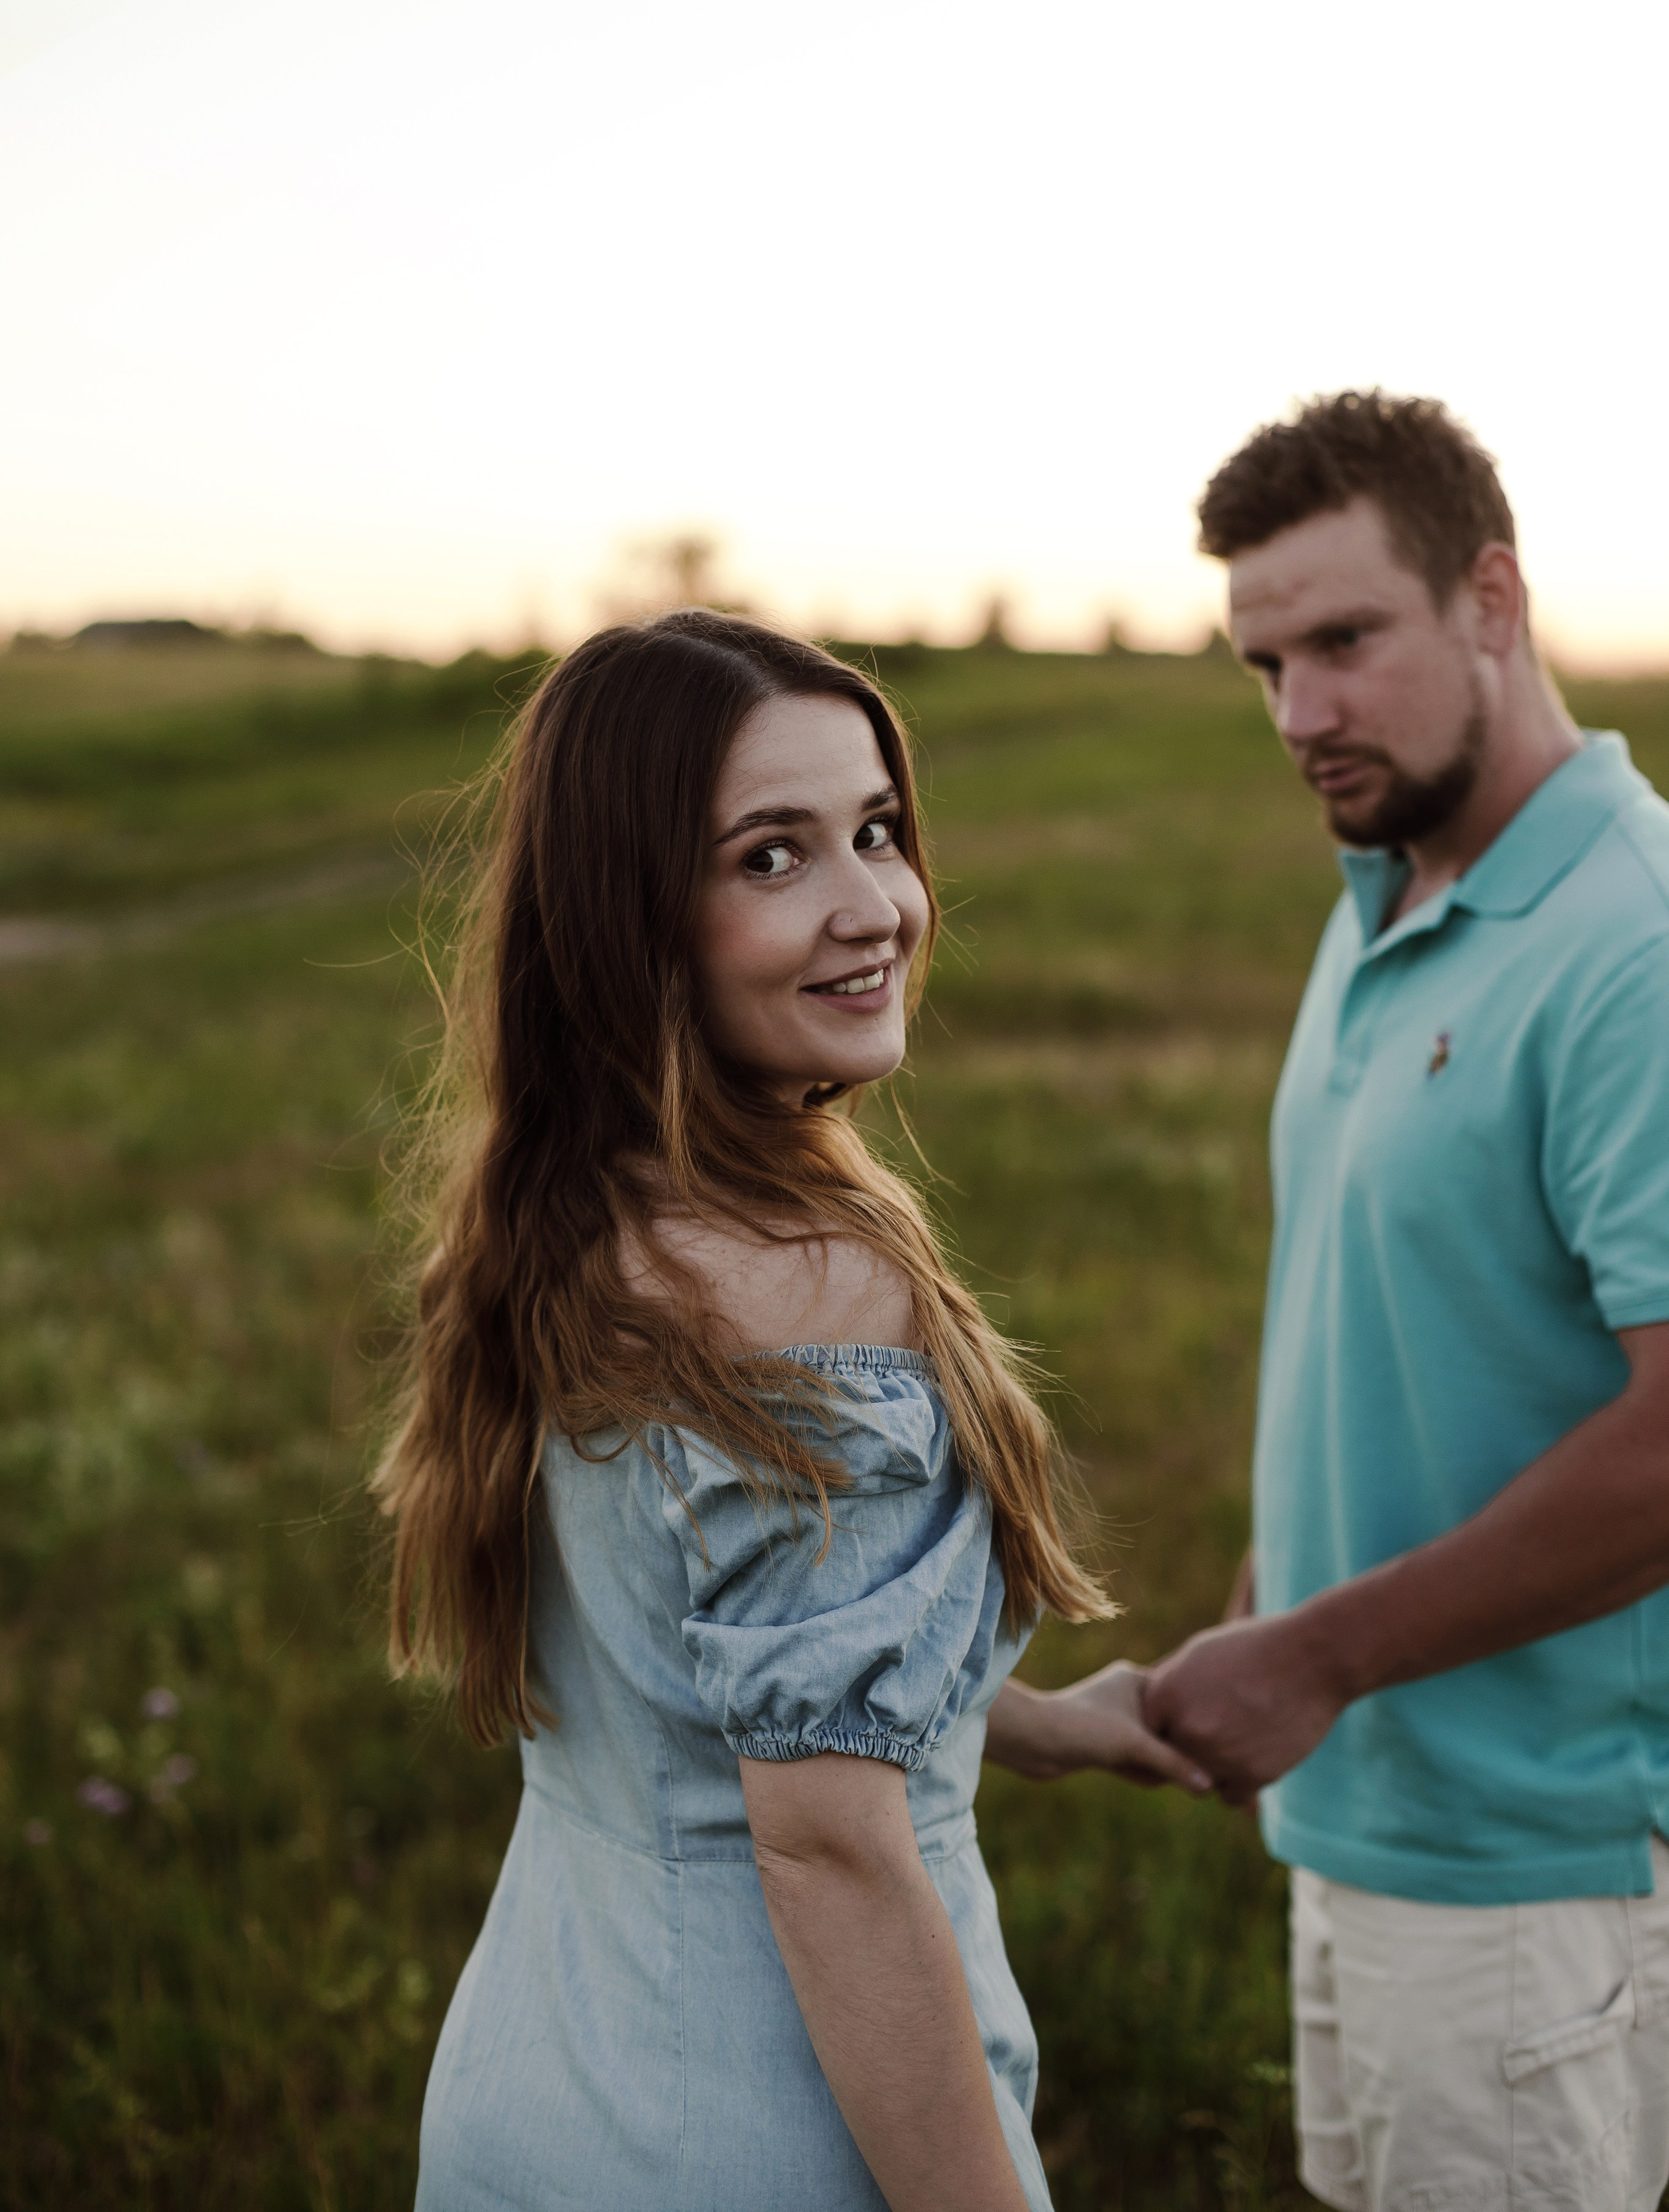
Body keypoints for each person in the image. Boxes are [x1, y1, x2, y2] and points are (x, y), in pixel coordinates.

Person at [376, 609, 1205, 2212]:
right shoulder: (798, 1286)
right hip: (754, 2134)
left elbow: (723, 1669)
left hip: (534, 2093)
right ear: (635, 921)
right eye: (770, 857)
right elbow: (824, 1846)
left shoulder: (574, 1209)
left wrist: (1032, 1721)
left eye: (876, 833)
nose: (871, 907)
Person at [1144, 391, 1669, 2212]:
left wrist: (1317, 1653)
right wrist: (1278, 1592)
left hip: (1537, 1868)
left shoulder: (1637, 942)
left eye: (1346, 642)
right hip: (1361, 1816)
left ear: (1493, 599)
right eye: (1263, 663)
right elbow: (1395, 1306)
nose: (1300, 717)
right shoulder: (1382, 890)